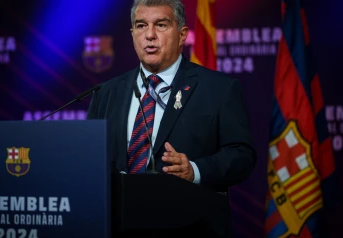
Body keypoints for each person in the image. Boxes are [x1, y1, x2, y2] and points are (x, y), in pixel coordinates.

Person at [87, 0, 256, 237]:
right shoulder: (106, 92)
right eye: (141, 25)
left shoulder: (218, 89)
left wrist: (195, 170)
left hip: (191, 228)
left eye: (161, 25)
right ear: (133, 33)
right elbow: (90, 160)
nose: (150, 35)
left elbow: (241, 155)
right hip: (117, 226)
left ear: (182, 34)